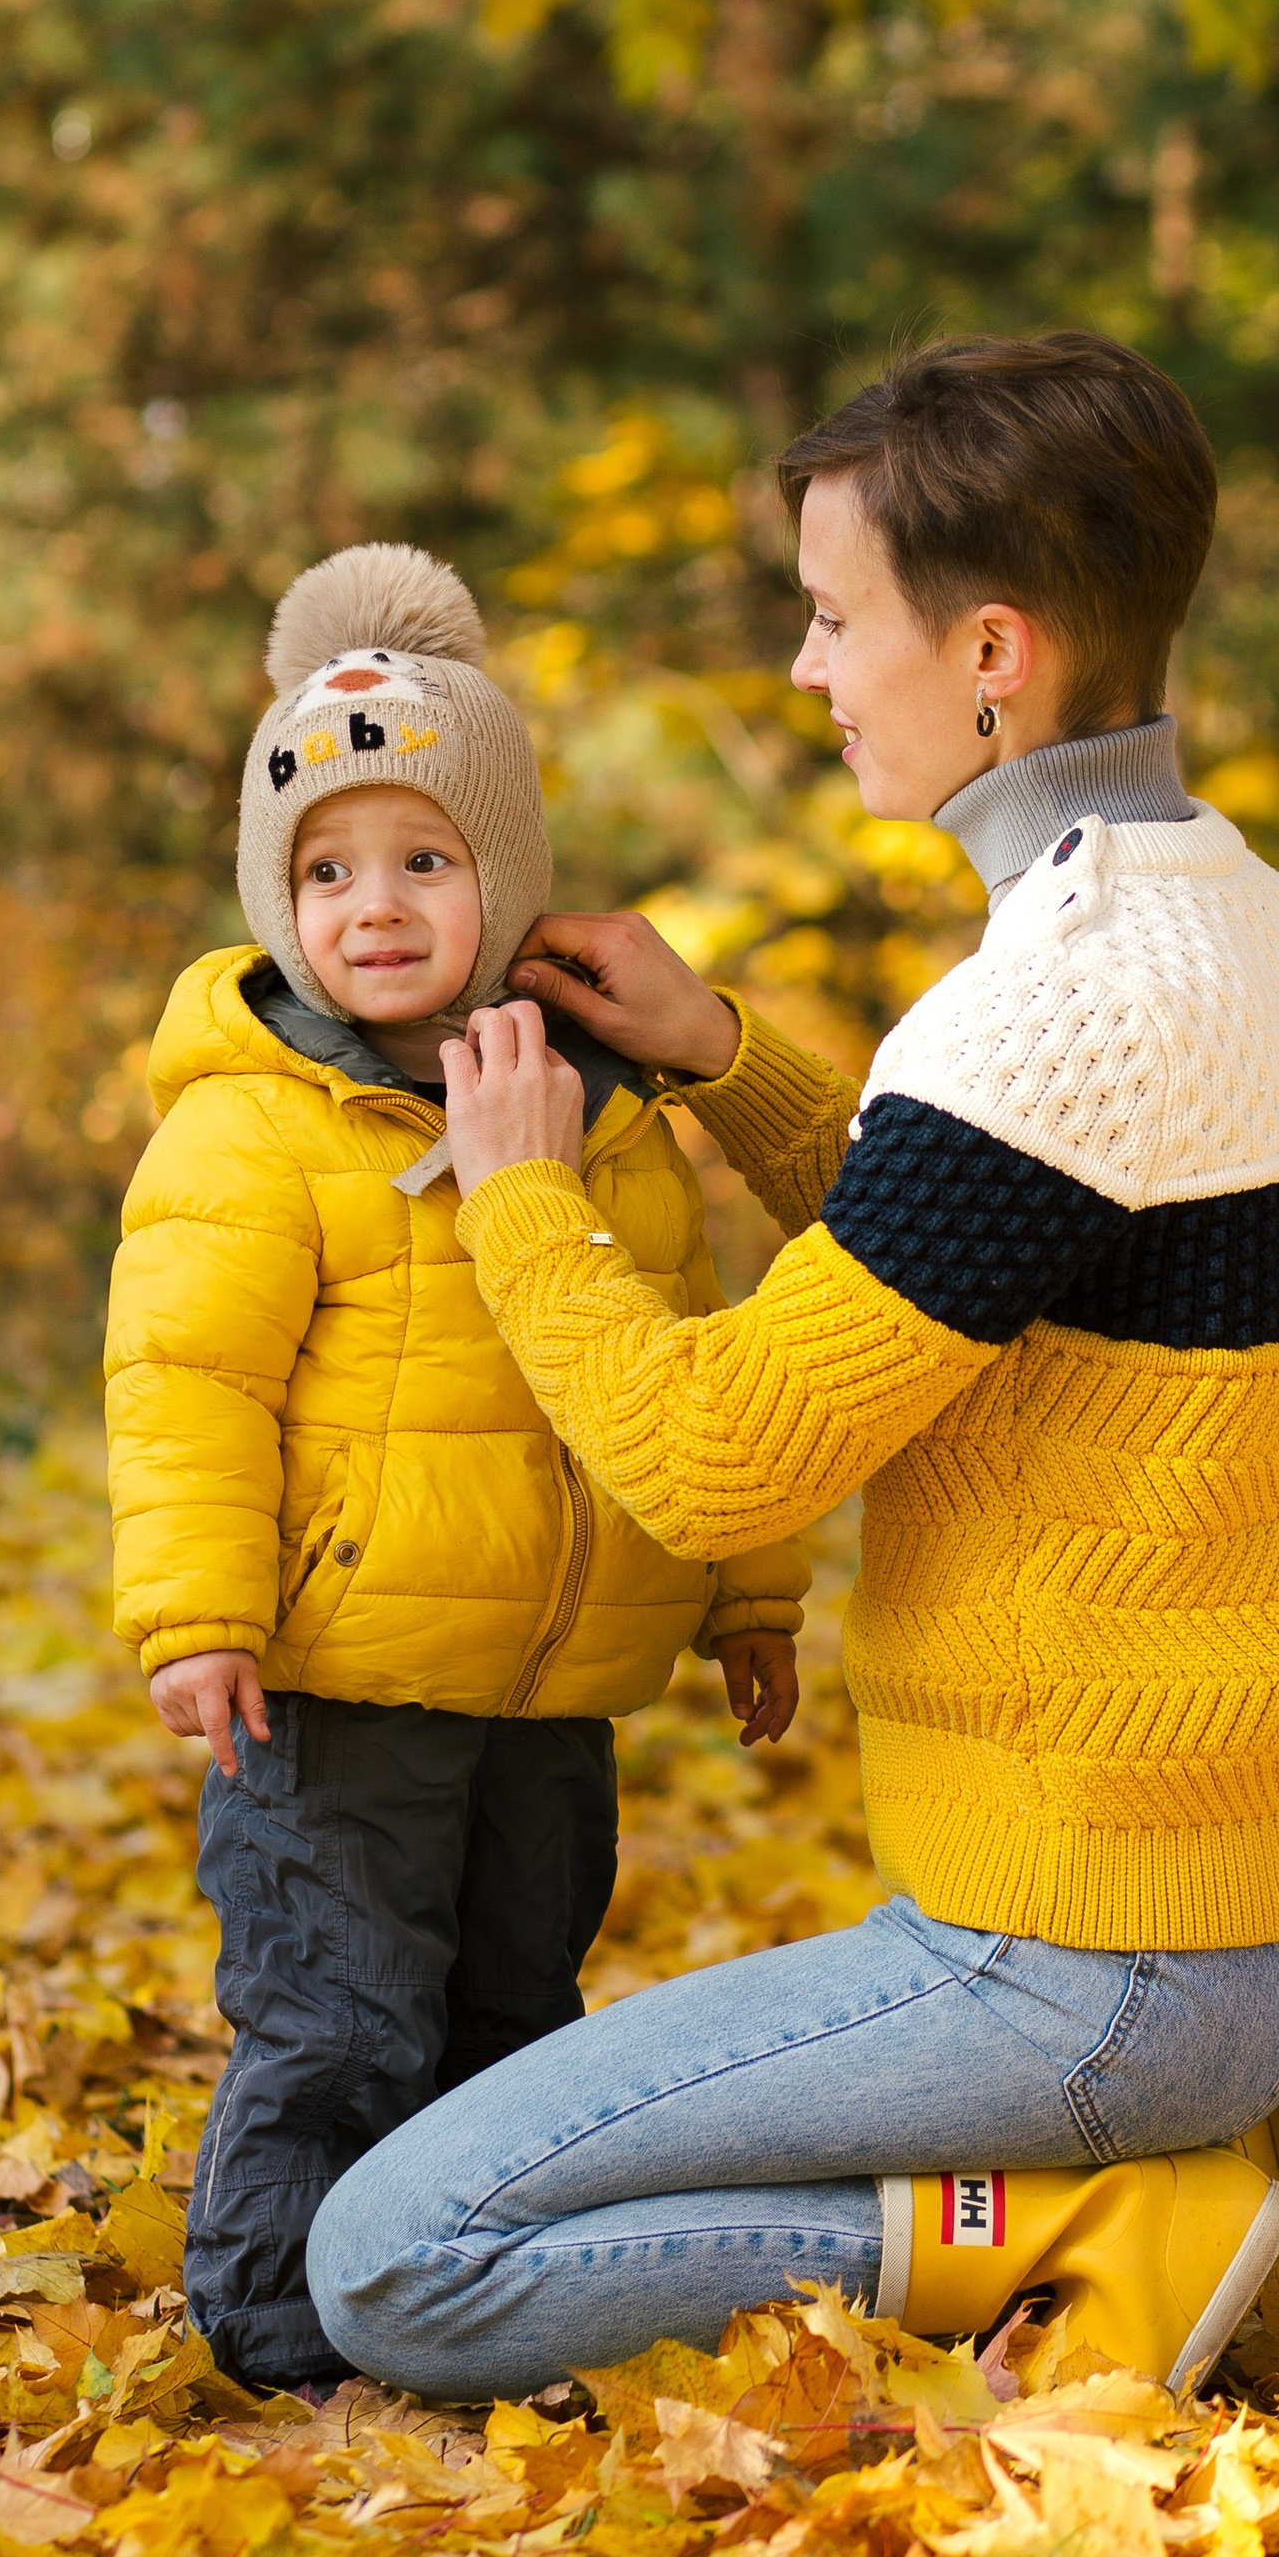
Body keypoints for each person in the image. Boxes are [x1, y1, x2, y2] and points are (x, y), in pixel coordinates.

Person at [306, 336, 1279, 2401]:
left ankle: (1111, 2219)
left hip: (1075, 1965)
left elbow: (720, 1463)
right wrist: (726, 1063)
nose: (811, 676)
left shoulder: (1054, 1007)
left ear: (988, 650)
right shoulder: (1249, 929)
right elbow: (993, 1268)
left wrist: (517, 1199)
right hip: (1255, 1926)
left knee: (393, 2255)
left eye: (835, 622)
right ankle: (1249, 2142)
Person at [103, 542, 806, 2395]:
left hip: (551, 1688)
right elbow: (183, 1379)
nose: (376, 903)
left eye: (424, 857)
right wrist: (196, 1612)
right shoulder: (258, 1135)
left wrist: (753, 1590)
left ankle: (470, 2302)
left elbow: (691, 1346)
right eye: (325, 870)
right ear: (275, 900)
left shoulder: (600, 1110)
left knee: (515, 2016)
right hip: (334, 1692)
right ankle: (275, 2338)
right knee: (337, 2020)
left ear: (506, 878)